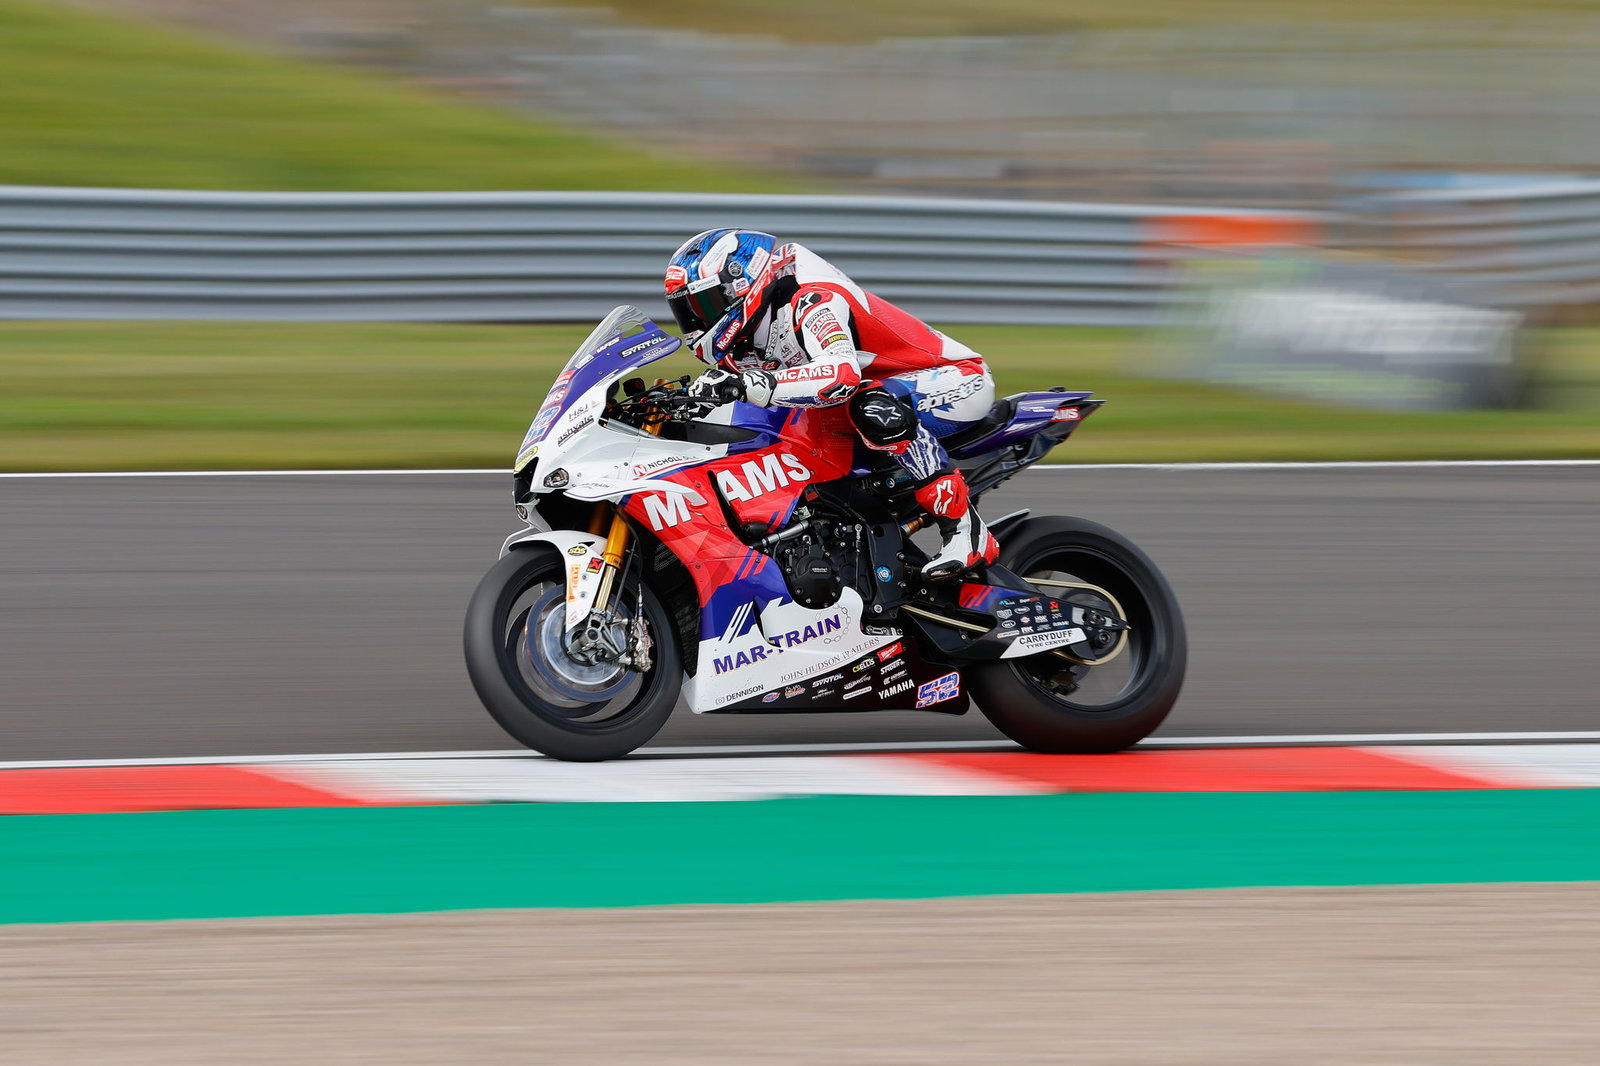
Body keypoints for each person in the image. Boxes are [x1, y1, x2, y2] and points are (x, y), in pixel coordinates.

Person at [664, 228, 999, 579]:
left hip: (956, 379)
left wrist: (752, 384)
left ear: (742, 283)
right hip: (876, 393)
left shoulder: (812, 300)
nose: (696, 321)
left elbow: (841, 376)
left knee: (873, 407)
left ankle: (966, 531)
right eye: (686, 311)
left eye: (704, 305)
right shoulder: (745, 339)